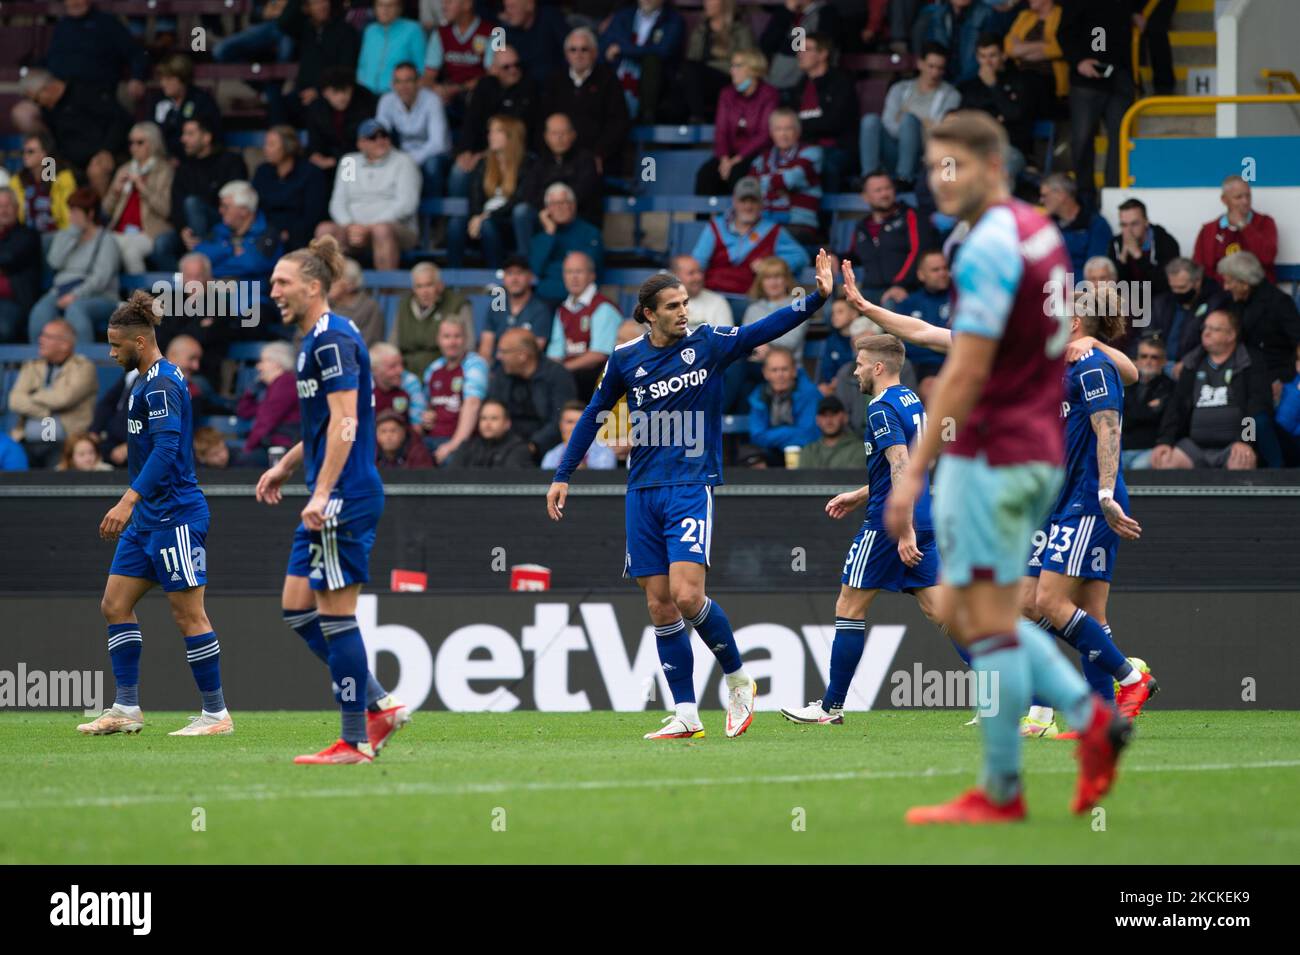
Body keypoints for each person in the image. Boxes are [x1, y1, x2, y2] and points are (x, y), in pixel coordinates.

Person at [858, 111, 1131, 823]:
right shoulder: (1041, 233)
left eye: (952, 165)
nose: (938, 180)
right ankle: (1016, 776)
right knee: (993, 617)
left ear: (992, 165)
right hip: (1035, 449)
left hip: (995, 451)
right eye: (933, 166)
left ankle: (1073, 725)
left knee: (984, 620)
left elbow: (966, 366)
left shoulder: (987, 244)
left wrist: (912, 472)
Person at [545, 249, 835, 741]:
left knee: (686, 595)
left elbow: (761, 332)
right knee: (659, 604)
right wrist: (563, 473)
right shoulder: (625, 359)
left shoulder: (708, 342)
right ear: (649, 315)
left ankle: (740, 681)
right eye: (674, 306)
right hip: (641, 489)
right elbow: (596, 412)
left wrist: (815, 300)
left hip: (689, 486)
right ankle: (686, 713)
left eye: (685, 302)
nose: (685, 311)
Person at [254, 235, 409, 763]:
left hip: (344, 494)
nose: (273, 290)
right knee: (298, 610)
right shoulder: (318, 339)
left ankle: (356, 738)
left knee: (336, 616)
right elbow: (328, 424)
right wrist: (287, 464)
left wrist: (321, 492)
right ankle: (378, 703)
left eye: (282, 282)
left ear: (313, 286)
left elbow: (347, 423)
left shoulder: (331, 339)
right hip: (328, 487)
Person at [79, 291, 233, 737]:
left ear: (141, 343)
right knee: (114, 604)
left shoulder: (162, 383)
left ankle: (216, 715)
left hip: (175, 516)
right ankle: (126, 708)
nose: (111, 353)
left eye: (116, 345)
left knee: (188, 614)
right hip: (148, 518)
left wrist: (128, 498)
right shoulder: (143, 381)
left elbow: (168, 448)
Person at [782, 335, 945, 723]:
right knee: (943, 613)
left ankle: (830, 707)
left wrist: (901, 531)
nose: (854, 371)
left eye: (858, 364)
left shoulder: (880, 407)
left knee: (849, 607)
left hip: (890, 524)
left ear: (877, 367)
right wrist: (859, 494)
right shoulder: (912, 400)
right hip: (924, 517)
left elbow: (901, 466)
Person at [1018, 288, 1157, 737]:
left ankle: (1130, 677)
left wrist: (1103, 492)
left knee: (1048, 602)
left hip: (1086, 501)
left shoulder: (1093, 364)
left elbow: (1108, 428)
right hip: (1065, 501)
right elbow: (942, 336)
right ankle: (1101, 714)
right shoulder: (1067, 361)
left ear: (1077, 322)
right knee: (1084, 614)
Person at [1152, 309, 1270, 471]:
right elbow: (1176, 406)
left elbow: (1256, 406)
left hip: (1233, 446)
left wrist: (1245, 441)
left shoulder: (1249, 362)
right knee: (1165, 462)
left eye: (1214, 329)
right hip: (1194, 447)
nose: (1206, 333)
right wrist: (1164, 441)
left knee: (1242, 462)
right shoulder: (1192, 363)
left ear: (1231, 335)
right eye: (1205, 328)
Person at [318, 119, 422, 271]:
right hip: (353, 230)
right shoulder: (350, 162)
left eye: (384, 136)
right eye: (372, 138)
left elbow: (406, 204)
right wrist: (349, 226)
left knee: (381, 230)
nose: (379, 141)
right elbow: (338, 201)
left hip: (396, 228)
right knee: (324, 230)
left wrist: (369, 227)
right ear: (360, 143)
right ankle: (331, 289)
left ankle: (387, 290)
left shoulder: (403, 161)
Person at [1058, 0, 1135, 203]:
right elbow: (1064, 33)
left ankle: (1115, 194)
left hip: (1120, 77)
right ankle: (1085, 196)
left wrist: (1138, 11)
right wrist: (1079, 61)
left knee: (1120, 139)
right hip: (1087, 80)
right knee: (1082, 140)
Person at [27, 188, 122, 345]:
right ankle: (37, 364)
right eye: (71, 211)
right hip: (61, 291)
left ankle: (83, 362)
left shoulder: (106, 240)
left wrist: (76, 295)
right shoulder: (66, 235)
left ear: (90, 214)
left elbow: (101, 278)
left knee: (76, 309)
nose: (71, 217)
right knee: (40, 311)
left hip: (99, 296)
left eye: (76, 212)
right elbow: (54, 262)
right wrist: (71, 234)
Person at [860, 43, 960, 189]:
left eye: (940, 68)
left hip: (925, 153)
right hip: (893, 149)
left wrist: (910, 122)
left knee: (908, 120)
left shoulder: (951, 95)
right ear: (920, 63)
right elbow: (887, 122)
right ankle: (869, 178)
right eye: (931, 66)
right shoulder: (899, 89)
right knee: (870, 120)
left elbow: (942, 131)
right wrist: (916, 127)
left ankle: (904, 178)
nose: (935, 72)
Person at [157, 116, 249, 270]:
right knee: (161, 244)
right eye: (183, 134)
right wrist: (183, 230)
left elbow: (236, 200)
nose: (183, 139)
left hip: (222, 225)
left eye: (190, 134)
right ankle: (188, 282)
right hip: (190, 231)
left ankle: (201, 265)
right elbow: (176, 205)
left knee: (193, 203)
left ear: (206, 137)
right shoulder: (183, 168)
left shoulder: (230, 161)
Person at [690, 177, 810, 295]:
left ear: (761, 203)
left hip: (751, 299)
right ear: (734, 202)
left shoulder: (772, 230)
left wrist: (768, 265)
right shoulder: (716, 226)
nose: (748, 206)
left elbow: (801, 257)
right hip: (713, 295)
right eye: (743, 200)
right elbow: (698, 263)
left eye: (753, 201)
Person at [538, 27, 631, 177]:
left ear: (595, 53)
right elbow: (543, 120)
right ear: (566, 54)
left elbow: (618, 123)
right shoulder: (555, 80)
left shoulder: (608, 79)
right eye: (573, 50)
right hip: (558, 157)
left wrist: (599, 154)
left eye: (584, 49)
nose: (578, 55)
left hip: (599, 159)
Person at [7, 319, 98, 468]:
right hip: (25, 442)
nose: (40, 339)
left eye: (48, 336)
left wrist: (32, 395)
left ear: (65, 344)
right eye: (42, 335)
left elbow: (63, 399)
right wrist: (45, 410)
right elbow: (14, 400)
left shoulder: (84, 367)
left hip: (65, 445)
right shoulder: (31, 366)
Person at [448, 115, 529, 268]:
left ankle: (495, 277)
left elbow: (519, 200)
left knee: (487, 224)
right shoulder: (484, 164)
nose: (490, 135)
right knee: (456, 223)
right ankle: (453, 278)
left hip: (508, 222)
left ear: (511, 136)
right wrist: (477, 216)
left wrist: (486, 216)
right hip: (483, 220)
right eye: (490, 131)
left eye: (497, 131)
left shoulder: (527, 164)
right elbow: (475, 197)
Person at [517, 112, 602, 253]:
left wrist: (562, 206)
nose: (559, 138)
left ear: (573, 135)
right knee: (521, 212)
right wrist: (552, 208)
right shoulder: (539, 162)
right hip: (545, 214)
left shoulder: (586, 159)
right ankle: (524, 263)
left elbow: (584, 192)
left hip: (577, 214)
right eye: (554, 133)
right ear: (546, 136)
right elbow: (529, 193)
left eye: (564, 133)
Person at [697, 49, 778, 195]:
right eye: (732, 65)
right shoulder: (727, 94)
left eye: (737, 66)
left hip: (755, 154)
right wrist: (724, 159)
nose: (732, 70)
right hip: (729, 155)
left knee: (738, 173)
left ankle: (739, 217)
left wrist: (736, 159)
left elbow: (764, 134)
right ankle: (703, 219)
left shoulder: (769, 94)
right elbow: (721, 131)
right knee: (705, 174)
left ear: (753, 69)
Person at [845, 170, 933, 304]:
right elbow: (853, 255)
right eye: (878, 190)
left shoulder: (910, 216)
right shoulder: (862, 226)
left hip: (904, 290)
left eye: (888, 188)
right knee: (836, 312)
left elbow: (919, 252)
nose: (884, 194)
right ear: (865, 196)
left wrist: (901, 285)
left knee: (890, 304)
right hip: (869, 291)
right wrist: (834, 257)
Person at [488, 327, 577, 458]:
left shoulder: (557, 375)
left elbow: (561, 419)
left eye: (504, 351)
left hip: (546, 449)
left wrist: (534, 445)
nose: (498, 356)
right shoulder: (502, 374)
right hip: (506, 446)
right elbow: (493, 409)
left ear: (522, 355)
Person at [1218, 251, 1300, 392]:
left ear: (1244, 283)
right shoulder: (1232, 300)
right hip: (1239, 371)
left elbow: (1297, 340)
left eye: (1229, 282)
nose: (1225, 287)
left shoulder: (1278, 303)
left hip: (1273, 374)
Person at [788, 33, 859, 194]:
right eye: (799, 49)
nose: (800, 53)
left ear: (823, 54)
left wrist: (800, 126)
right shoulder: (798, 87)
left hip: (837, 149)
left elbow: (835, 123)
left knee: (826, 165)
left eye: (806, 49)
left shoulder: (841, 82)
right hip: (804, 148)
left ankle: (826, 218)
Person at [545, 251, 622, 399]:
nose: (574, 277)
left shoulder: (603, 307)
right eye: (569, 272)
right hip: (569, 375)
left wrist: (561, 371)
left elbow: (598, 355)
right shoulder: (562, 310)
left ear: (592, 275)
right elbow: (555, 354)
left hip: (595, 377)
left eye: (579, 272)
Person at [957, 35, 1032, 181]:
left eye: (992, 56)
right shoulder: (971, 86)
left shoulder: (1021, 80)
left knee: (997, 175)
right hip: (974, 148)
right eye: (982, 56)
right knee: (948, 169)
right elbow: (963, 119)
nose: (987, 62)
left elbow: (1014, 115)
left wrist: (993, 85)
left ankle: (996, 205)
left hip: (1009, 149)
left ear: (1003, 55)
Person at [103, 122, 174, 274]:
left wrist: (143, 188)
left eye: (140, 142)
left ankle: (139, 297)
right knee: (99, 246)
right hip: (119, 231)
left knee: (130, 251)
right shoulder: (125, 169)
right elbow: (106, 210)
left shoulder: (164, 170)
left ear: (153, 143)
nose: (134, 147)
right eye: (131, 142)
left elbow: (166, 209)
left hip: (148, 231)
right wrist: (115, 191)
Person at [599, 0, 685, 124]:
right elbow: (606, 45)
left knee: (652, 60)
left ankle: (646, 116)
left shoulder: (673, 19)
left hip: (660, 83)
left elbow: (663, 51)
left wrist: (623, 50)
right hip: (620, 72)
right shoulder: (623, 15)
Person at [421, 313, 490, 464]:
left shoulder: (475, 364)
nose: (452, 342)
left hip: (463, 441)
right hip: (431, 438)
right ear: (438, 340)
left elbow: (472, 404)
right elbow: (427, 406)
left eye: (457, 336)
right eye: (447, 337)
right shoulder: (433, 369)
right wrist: (427, 417)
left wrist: (453, 445)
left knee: (452, 461)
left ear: (465, 339)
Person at [377, 61, 452, 198]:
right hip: (402, 154)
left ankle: (434, 215)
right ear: (393, 84)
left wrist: (408, 160)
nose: (403, 87)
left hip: (434, 155)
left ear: (418, 82)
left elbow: (438, 144)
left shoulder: (432, 100)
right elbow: (380, 136)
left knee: (432, 165)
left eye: (408, 81)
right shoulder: (386, 101)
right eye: (398, 82)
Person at [252, 125, 330, 252]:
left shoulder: (311, 173)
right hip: (265, 233)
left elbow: (313, 213)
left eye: (271, 144)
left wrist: (289, 233)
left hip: (301, 237)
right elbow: (256, 206)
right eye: (265, 144)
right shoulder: (262, 172)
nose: (265, 149)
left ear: (288, 147)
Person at [748, 108, 822, 242]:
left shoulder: (812, 153)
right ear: (771, 132)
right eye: (778, 129)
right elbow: (751, 187)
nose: (783, 134)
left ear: (798, 131)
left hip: (800, 225)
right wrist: (780, 180)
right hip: (767, 222)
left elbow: (790, 180)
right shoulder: (761, 159)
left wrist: (768, 182)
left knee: (764, 240)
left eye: (788, 129)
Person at [678, 0, 757, 124]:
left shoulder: (740, 30)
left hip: (729, 79)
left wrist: (709, 66)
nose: (706, 3)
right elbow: (692, 58)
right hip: (699, 82)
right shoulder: (701, 29)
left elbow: (747, 62)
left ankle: (697, 117)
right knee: (684, 74)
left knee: (691, 72)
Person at [1148, 257, 1229, 375]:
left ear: (1197, 282)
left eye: (1182, 287)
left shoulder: (1215, 303)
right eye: (1173, 287)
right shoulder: (1162, 302)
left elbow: (1211, 341)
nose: (1177, 292)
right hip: (1159, 364)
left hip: (1194, 369)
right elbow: (1147, 333)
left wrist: (1188, 362)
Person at [193, 181, 282, 286]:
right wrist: (229, 250)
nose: (220, 210)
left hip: (252, 298)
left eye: (225, 206)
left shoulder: (267, 234)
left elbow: (252, 264)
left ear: (244, 210)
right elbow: (197, 255)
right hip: (217, 294)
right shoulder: (220, 229)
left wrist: (208, 271)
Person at [1192, 175, 1278, 284]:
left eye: (1248, 196)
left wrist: (1244, 226)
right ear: (1224, 200)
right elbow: (1199, 267)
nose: (1245, 202)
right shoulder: (1209, 230)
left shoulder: (1265, 222)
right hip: (1220, 292)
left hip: (1255, 291)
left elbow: (1267, 258)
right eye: (1238, 197)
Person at [528, 183, 604, 304]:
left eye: (563, 203)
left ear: (573, 205)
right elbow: (535, 270)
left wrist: (551, 272)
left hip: (580, 299)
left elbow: (587, 269)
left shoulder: (590, 233)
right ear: (546, 210)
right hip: (545, 301)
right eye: (553, 204)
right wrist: (549, 233)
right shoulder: (541, 236)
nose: (558, 208)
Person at [891, 248, 952, 403]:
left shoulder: (960, 299)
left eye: (945, 268)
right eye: (935, 270)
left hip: (955, 363)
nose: (942, 273)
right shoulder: (907, 304)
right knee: (931, 389)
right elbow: (902, 345)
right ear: (921, 275)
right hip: (918, 367)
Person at [392, 263, 472, 374]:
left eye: (429, 285)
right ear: (413, 288)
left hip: (443, 371)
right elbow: (393, 343)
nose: (424, 291)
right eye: (419, 286)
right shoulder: (404, 305)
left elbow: (468, 345)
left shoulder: (457, 304)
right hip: (406, 372)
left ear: (440, 285)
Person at [748, 345, 820, 464]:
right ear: (765, 373)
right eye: (774, 370)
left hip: (806, 453)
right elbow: (757, 435)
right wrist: (789, 432)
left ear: (794, 371)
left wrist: (772, 435)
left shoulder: (809, 393)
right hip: (772, 453)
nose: (780, 374)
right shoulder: (758, 395)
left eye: (784, 369)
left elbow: (808, 435)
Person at [236, 340, 302, 466]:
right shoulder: (272, 386)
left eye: (263, 361)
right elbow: (244, 411)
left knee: (240, 460)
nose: (258, 366)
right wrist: (253, 389)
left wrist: (247, 449)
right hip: (271, 446)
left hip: (284, 450)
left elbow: (265, 421)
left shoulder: (286, 382)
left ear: (277, 363)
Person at [305, 67, 380, 173]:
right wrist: (315, 154)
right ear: (325, 93)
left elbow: (365, 142)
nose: (342, 97)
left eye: (346, 91)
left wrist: (335, 160)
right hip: (326, 160)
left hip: (356, 158)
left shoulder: (365, 104)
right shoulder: (317, 109)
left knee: (347, 170)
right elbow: (314, 140)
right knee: (312, 170)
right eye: (336, 92)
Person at [479, 255, 554, 360]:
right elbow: (486, 349)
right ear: (504, 278)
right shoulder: (496, 307)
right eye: (509, 273)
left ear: (530, 277)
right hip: (497, 371)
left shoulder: (540, 310)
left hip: (526, 371)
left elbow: (534, 351)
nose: (514, 279)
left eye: (519, 273)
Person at [150, 55, 222, 161]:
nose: (163, 83)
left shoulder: (202, 101)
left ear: (183, 79)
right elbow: (150, 130)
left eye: (169, 78)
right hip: (162, 159)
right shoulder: (158, 100)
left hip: (195, 161)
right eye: (162, 79)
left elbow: (209, 136)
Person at [1039, 173, 1111, 278]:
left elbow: (1095, 273)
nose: (1041, 201)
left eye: (1045, 195)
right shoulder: (1046, 225)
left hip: (1081, 291)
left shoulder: (1096, 225)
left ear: (1061, 195)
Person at [8, 132, 78, 239]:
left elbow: (68, 216)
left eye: (30, 152)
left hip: (56, 236)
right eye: (23, 152)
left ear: (45, 153)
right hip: (25, 238)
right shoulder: (17, 181)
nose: (25, 155)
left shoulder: (62, 179)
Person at [760, 0, 839, 92]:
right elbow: (766, 44)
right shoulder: (785, 12)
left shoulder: (826, 12)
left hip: (805, 85)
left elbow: (821, 46)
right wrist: (786, 11)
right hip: (776, 81)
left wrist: (785, 44)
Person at [1108, 197, 1180, 298]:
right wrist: (1123, 260)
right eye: (1124, 225)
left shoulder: (1166, 242)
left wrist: (1139, 256)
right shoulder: (1116, 243)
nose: (1129, 230)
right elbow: (1113, 285)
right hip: (1128, 301)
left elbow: (1164, 285)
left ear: (1146, 222)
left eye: (1134, 224)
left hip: (1157, 301)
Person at [1122, 335, 1176, 469]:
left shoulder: (1170, 387)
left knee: (1138, 468)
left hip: (1150, 449)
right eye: (1144, 356)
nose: (1148, 361)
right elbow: (1124, 418)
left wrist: (1134, 412)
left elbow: (1168, 422)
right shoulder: (1126, 384)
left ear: (1164, 361)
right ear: (1137, 360)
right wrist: (1149, 410)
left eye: (1154, 357)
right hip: (1121, 448)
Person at [357, 0, 427, 95]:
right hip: (366, 95)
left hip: (397, 95)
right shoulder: (370, 30)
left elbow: (421, 68)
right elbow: (362, 65)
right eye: (380, 5)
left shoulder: (413, 30)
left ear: (399, 8)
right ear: (375, 8)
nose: (385, 10)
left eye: (390, 5)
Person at [0, 187, 42, 343]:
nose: (3, 211)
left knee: (2, 329)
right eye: (0, 206)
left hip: (13, 301)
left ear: (17, 209)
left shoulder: (27, 235)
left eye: (7, 206)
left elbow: (8, 258)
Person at [445, 399, 535, 467]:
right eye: (483, 418)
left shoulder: (519, 448)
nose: (487, 424)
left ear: (507, 423)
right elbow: (452, 477)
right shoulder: (467, 447)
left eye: (494, 418)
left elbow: (510, 482)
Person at [541, 399, 617, 470]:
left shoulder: (604, 454)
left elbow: (602, 482)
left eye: (580, 422)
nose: (575, 427)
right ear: (561, 425)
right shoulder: (551, 456)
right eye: (570, 422)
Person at [329, 257, 386, 346]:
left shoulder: (368, 307)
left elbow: (367, 342)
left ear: (350, 285)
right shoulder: (324, 305)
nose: (328, 283)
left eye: (334, 280)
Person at [795, 394, 862, 469]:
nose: (829, 420)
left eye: (834, 414)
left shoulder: (859, 449)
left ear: (845, 417)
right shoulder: (808, 451)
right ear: (817, 420)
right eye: (824, 415)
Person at [369, 341, 429, 425]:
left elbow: (417, 422)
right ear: (375, 370)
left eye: (401, 364)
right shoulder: (364, 386)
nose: (400, 370)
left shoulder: (410, 381)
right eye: (392, 366)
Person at [672, 254, 733, 331]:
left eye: (700, 272)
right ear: (676, 276)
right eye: (691, 273)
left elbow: (726, 339)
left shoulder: (718, 302)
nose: (699, 277)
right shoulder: (663, 301)